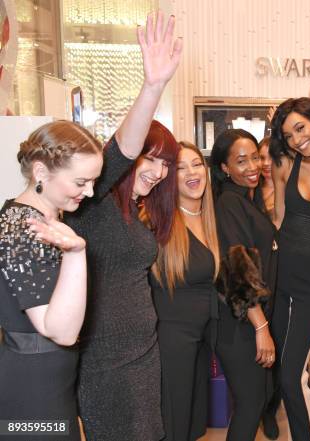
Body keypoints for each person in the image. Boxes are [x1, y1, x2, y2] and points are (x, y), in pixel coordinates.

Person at [65, 11, 183, 440]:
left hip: (144, 354)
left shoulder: (140, 213)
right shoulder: (92, 200)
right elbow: (122, 149)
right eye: (149, 160)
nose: (156, 172)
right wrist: (153, 86)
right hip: (102, 362)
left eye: (164, 165)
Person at [0, 121, 103, 441]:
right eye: (81, 181)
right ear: (41, 172)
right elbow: (60, 330)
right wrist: (76, 254)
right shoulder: (23, 228)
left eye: (93, 181)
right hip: (33, 395)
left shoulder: (40, 220)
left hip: (49, 384)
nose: (90, 192)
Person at [269, 96, 310, 441]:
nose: (296, 139)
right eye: (289, 134)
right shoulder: (284, 165)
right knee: (286, 372)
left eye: (301, 128)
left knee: (291, 376)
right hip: (281, 276)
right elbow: (279, 217)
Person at [149, 141, 220, 441]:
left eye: (196, 164)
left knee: (192, 423)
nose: (192, 172)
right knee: (175, 422)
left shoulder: (212, 219)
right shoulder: (159, 225)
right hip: (172, 340)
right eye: (180, 168)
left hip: (202, 340)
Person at [210, 128, 278, 441]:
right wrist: (261, 327)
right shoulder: (229, 203)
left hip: (249, 321)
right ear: (224, 167)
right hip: (240, 325)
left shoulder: (248, 200)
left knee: (256, 400)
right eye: (241, 161)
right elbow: (238, 270)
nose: (252, 166)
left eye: (255, 157)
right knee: (251, 404)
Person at [258, 136, 275, 217]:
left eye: (272, 158)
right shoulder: (251, 188)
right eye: (262, 158)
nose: (266, 163)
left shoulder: (291, 191)